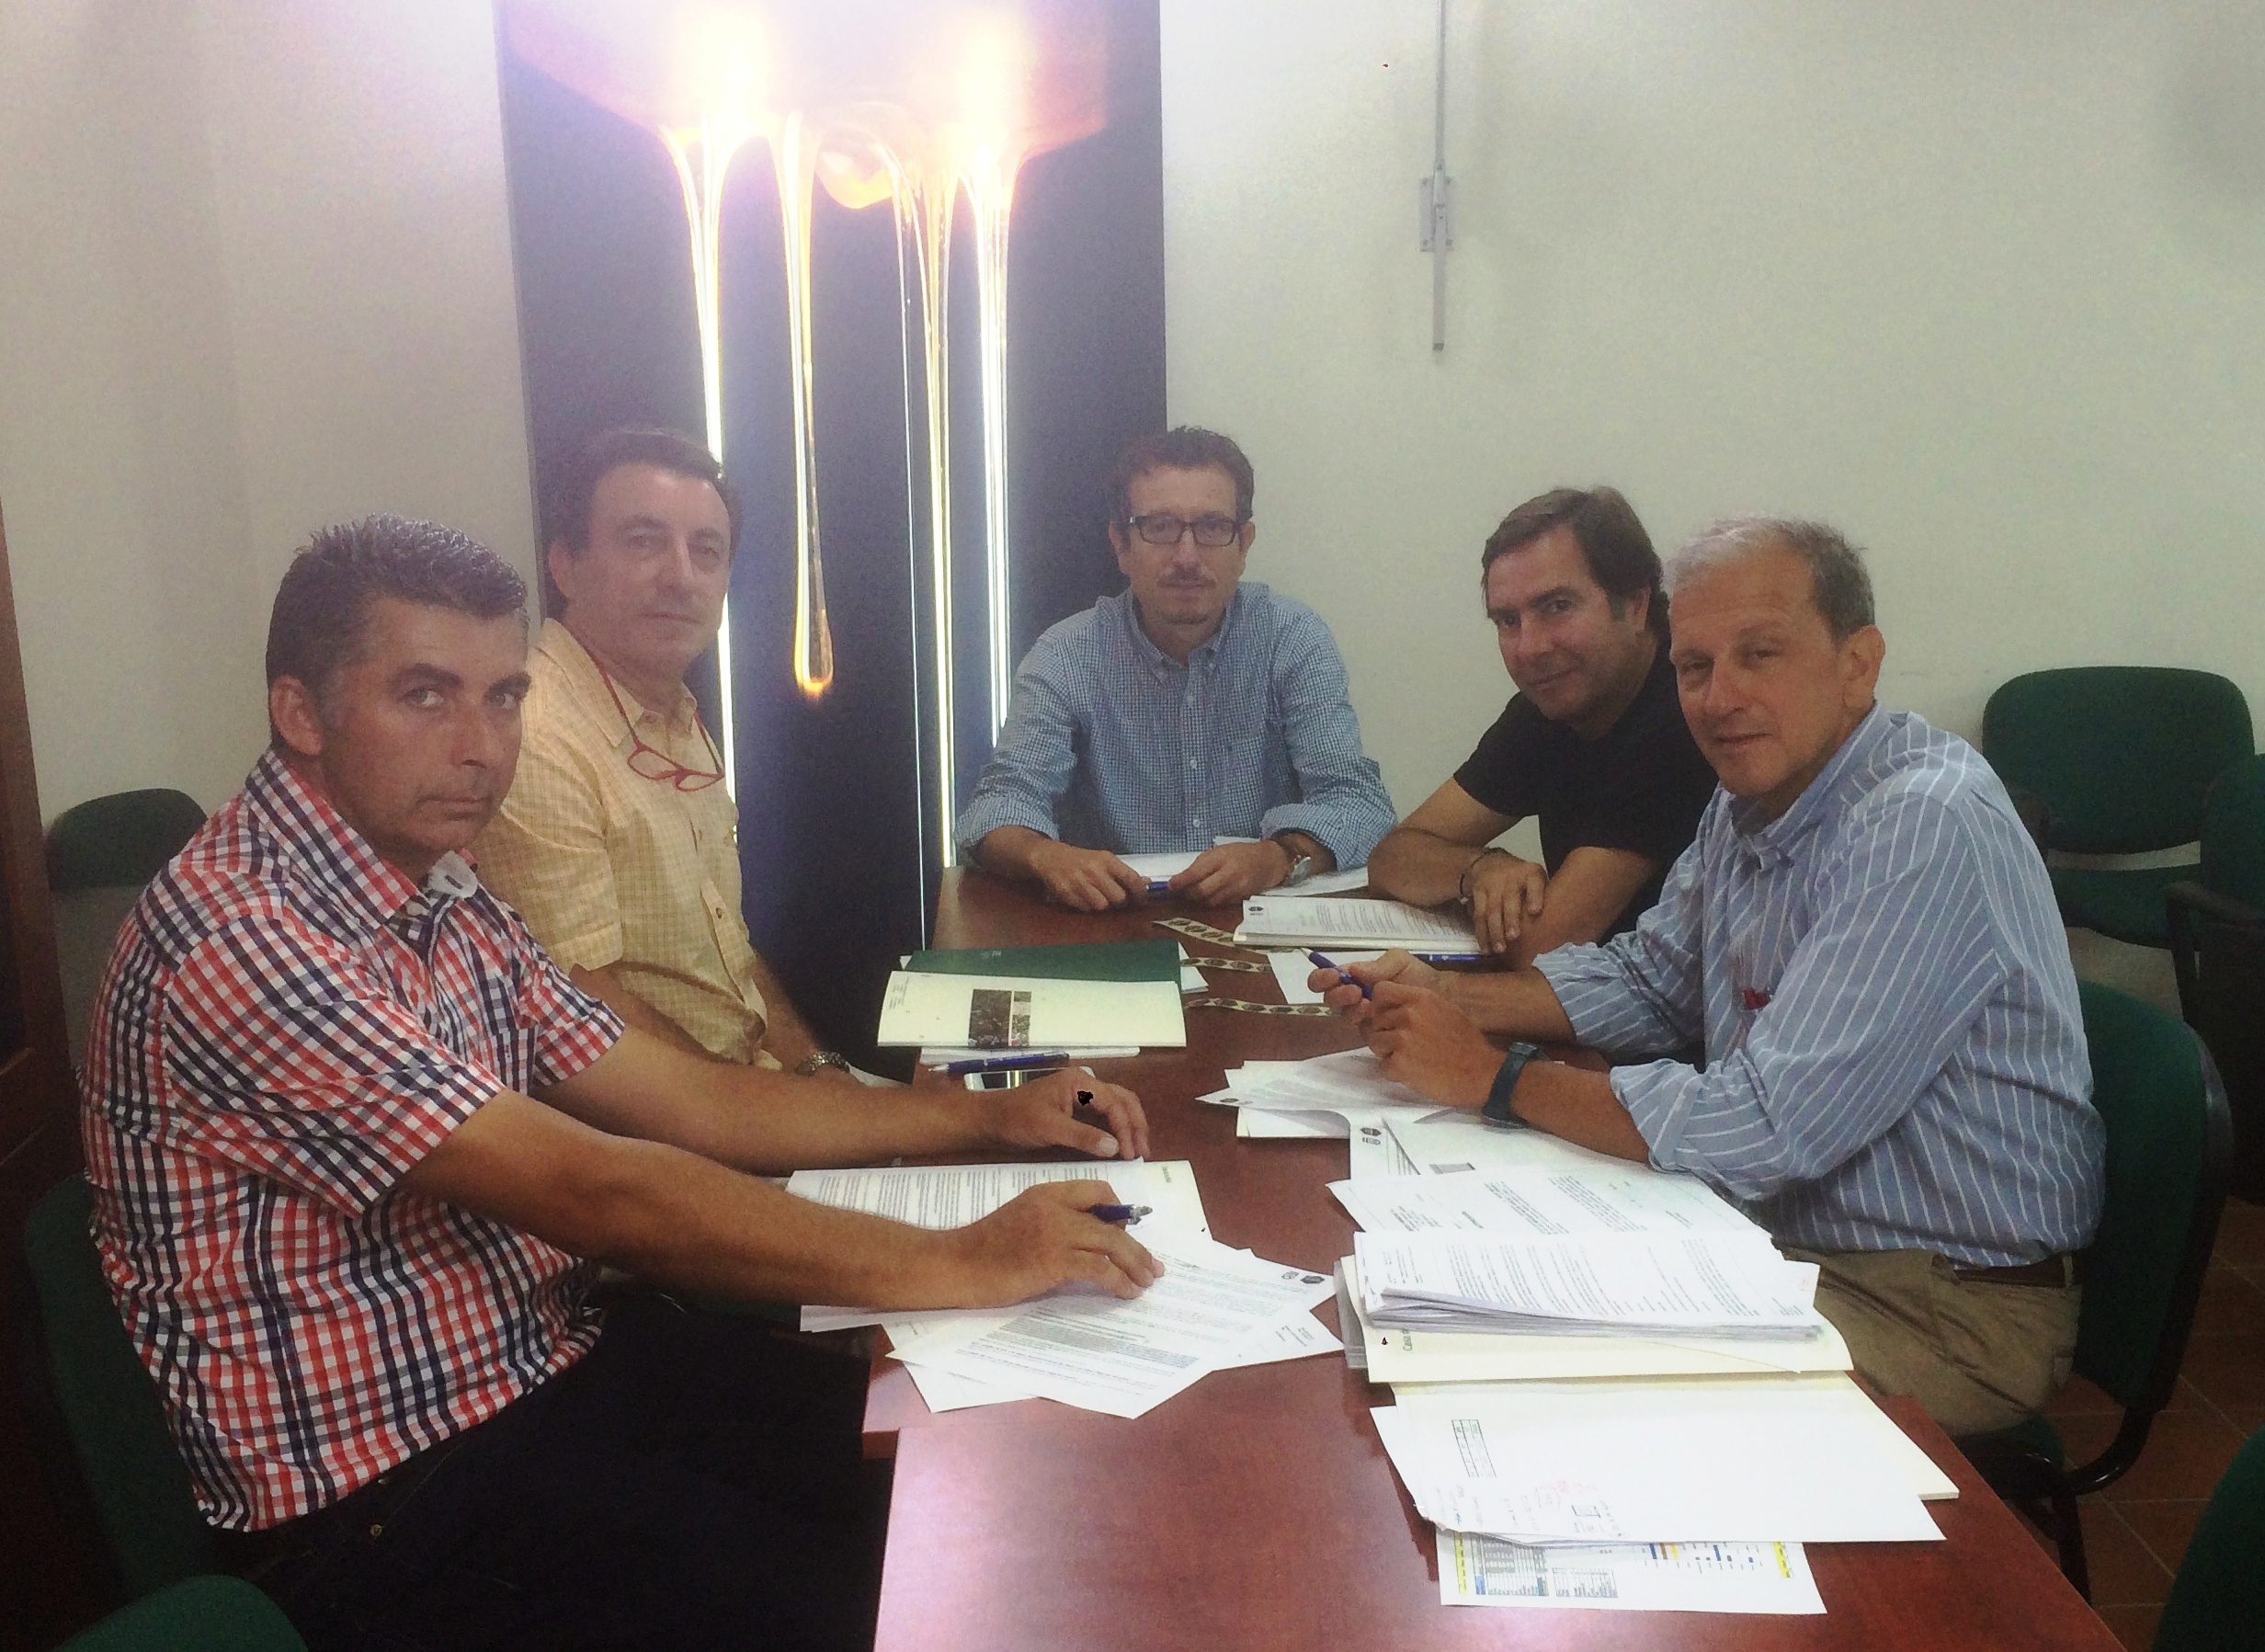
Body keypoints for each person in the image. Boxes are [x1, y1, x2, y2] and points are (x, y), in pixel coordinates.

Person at [80, 516, 1158, 1650]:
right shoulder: (240, 936)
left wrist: (973, 1116)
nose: (481, 747)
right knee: (918, 1606)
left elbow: (692, 1100)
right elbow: (602, 1193)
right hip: (392, 1500)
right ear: (301, 713)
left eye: (504, 697)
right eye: (425, 695)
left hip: (554, 1368)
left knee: (961, 1480)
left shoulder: (436, 883)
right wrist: (963, 1260)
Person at [1317, 517, 2105, 1436]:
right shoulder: (1748, 800)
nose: (1718, 698)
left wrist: (1491, 1076)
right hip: (1781, 1238)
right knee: (1452, 1308)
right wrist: (1443, 997)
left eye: (1759, 654)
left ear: (1857, 664)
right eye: (1694, 667)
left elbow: (1764, 1125)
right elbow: (1652, 983)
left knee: (1542, 1395)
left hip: (1942, 1304)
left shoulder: (1922, 823)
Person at [474, 427, 849, 1076]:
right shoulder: (536, 738)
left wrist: (820, 1070)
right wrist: (807, 1111)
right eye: (644, 542)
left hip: (752, 1083)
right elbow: (583, 1020)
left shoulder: (670, 712)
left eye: (707, 551)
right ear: (566, 566)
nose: (681, 577)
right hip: (670, 1121)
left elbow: (730, 961)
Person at [956, 426, 1396, 910]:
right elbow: (995, 808)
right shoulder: (1067, 655)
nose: (1187, 557)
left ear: (1244, 544)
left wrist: (1278, 856)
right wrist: (1046, 856)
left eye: (1212, 527)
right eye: (1161, 527)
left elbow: (1359, 803)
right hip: (1113, 923)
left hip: (1261, 920)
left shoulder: (1292, 640)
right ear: (1121, 546)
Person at [1366, 486, 1718, 960]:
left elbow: (1543, 943)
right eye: (1507, 620)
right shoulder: (1553, 704)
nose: (1529, 648)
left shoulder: (1684, 710)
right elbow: (1391, 856)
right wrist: (1478, 869)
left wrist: (1472, 892)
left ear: (1636, 604)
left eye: (1557, 607)